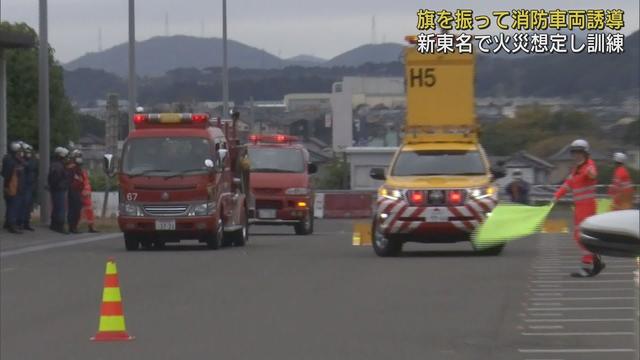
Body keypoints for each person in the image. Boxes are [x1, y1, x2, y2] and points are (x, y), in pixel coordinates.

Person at [553, 139, 604, 278]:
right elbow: (567, 184)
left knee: (583, 237)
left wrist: (589, 171)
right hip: (579, 208)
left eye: (579, 152)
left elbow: (593, 174)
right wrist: (556, 196)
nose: (576, 155)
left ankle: (587, 266)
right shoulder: (576, 169)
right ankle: (596, 261)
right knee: (581, 236)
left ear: (585, 153)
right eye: (574, 152)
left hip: (587, 207)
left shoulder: (589, 165)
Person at [2, 142, 26, 234]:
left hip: (11, 185)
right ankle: (12, 225)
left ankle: (8, 223)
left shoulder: (9, 158)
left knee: (10, 205)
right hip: (13, 186)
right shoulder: (11, 160)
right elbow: (8, 174)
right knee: (13, 206)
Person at [48, 147, 70, 233]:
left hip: (57, 189)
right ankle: (59, 226)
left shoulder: (56, 164)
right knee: (60, 208)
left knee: (56, 207)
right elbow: (56, 179)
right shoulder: (58, 166)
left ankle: (54, 224)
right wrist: (62, 184)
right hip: (59, 189)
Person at [19, 143, 38, 231]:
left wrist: (23, 161)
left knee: (28, 205)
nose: (28, 153)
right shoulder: (19, 160)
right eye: (26, 152)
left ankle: (26, 223)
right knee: (23, 205)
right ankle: (21, 223)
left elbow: (31, 167)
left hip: (30, 185)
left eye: (29, 152)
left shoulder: (31, 160)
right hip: (23, 185)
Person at [78, 153, 99, 233]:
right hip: (82, 194)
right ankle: (76, 226)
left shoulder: (83, 172)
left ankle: (91, 226)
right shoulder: (78, 172)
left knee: (88, 211)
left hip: (86, 195)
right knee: (79, 210)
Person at [66, 150, 85, 234]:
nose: (79, 159)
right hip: (73, 190)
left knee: (77, 209)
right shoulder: (71, 168)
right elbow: (70, 180)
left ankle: (74, 226)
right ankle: (72, 227)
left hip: (78, 190)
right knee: (74, 209)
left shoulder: (78, 168)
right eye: (78, 157)